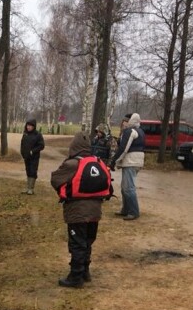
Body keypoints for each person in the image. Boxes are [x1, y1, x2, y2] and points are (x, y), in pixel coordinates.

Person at [50, 132, 105, 288]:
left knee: (77, 244)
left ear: (74, 147)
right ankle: (85, 272)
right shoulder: (97, 162)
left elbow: (55, 179)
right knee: (87, 241)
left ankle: (75, 277)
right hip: (95, 212)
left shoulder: (71, 164)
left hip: (77, 212)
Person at [110, 112, 145, 221]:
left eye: (125, 121)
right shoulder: (140, 131)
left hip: (131, 161)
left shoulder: (129, 131)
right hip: (136, 161)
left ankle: (133, 212)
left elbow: (123, 149)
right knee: (125, 187)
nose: (123, 123)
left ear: (129, 121)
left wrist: (113, 161)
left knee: (128, 188)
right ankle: (126, 209)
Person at [20, 119, 45, 195]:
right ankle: (28, 187)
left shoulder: (38, 135)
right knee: (28, 170)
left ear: (34, 126)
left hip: (34, 157)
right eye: (28, 125)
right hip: (26, 156)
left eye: (30, 126)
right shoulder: (25, 134)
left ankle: (31, 188)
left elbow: (41, 145)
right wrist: (22, 153)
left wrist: (33, 151)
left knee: (33, 171)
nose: (28, 127)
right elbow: (22, 144)